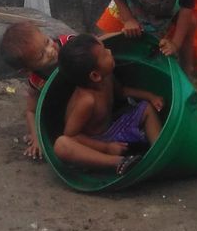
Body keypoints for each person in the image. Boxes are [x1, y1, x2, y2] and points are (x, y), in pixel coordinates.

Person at [53, 34, 164, 174]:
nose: (110, 51)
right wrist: (105, 148)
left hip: (113, 129)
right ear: (95, 75)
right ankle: (117, 163)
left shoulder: (107, 78)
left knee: (146, 108)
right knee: (61, 145)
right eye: (105, 54)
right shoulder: (86, 101)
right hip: (93, 145)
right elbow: (71, 135)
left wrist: (150, 96)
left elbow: (122, 92)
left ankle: (158, 154)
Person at [0, 19, 75, 160]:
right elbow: (32, 110)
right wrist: (37, 138)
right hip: (68, 112)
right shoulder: (37, 80)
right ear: (27, 70)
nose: (51, 51)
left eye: (47, 42)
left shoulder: (70, 45)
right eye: (41, 56)